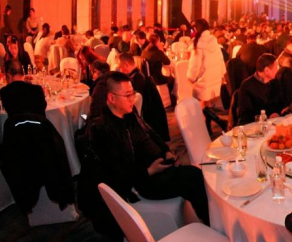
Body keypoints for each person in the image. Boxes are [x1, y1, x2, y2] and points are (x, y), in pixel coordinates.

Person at [86, 72, 209, 229]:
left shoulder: (129, 114)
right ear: (112, 98)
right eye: (128, 95)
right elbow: (117, 174)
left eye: (133, 93)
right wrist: (150, 171)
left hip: (157, 167)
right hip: (143, 182)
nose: (132, 99)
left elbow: (150, 132)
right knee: (194, 178)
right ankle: (211, 222)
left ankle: (209, 219)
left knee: (196, 175)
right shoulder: (102, 130)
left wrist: (165, 150)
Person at [236, 53, 285, 125]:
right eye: (276, 67)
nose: (278, 69)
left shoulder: (274, 81)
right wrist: (267, 116)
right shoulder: (247, 86)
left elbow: (280, 102)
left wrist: (276, 112)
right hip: (255, 126)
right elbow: (245, 115)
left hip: (274, 123)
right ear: (267, 70)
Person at [186, 19, 225, 107]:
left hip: (203, 79)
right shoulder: (213, 40)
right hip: (214, 77)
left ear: (196, 29)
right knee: (208, 104)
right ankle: (210, 115)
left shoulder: (198, 43)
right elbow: (220, 59)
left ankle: (204, 115)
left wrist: (190, 77)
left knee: (201, 105)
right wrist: (222, 74)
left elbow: (195, 65)